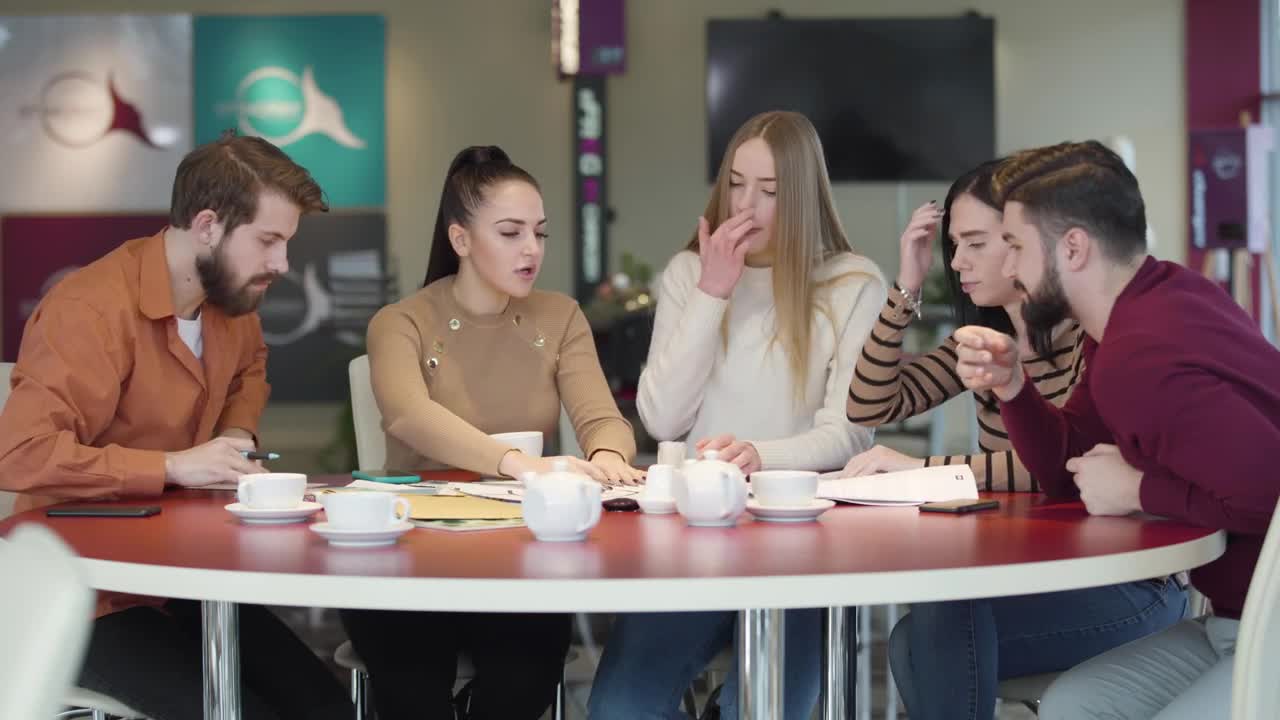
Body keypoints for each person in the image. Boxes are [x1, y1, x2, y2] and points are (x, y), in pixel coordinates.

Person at [0, 132, 350, 720]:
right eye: (268, 241)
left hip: (183, 582)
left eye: (286, 243)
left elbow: (250, 369)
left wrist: (237, 437)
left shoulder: (230, 302)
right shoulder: (87, 310)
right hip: (82, 593)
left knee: (326, 707)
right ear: (208, 225)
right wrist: (171, 467)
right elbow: (20, 453)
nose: (282, 264)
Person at [850, 157, 1186, 720]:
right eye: (953, 246)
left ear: (1022, 240)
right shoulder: (984, 341)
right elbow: (869, 404)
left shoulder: (1092, 337)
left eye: (976, 243)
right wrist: (905, 289)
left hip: (1129, 584)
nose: (957, 263)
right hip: (1034, 574)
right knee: (929, 624)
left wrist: (927, 471)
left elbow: (1061, 464)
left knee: (929, 629)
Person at [953, 140, 1280, 719]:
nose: (1007, 269)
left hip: (1264, 625)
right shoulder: (1156, 300)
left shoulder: (1142, 355)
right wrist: (1014, 388)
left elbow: (1267, 493)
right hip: (1231, 619)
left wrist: (1137, 491)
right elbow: (1066, 468)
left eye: (1016, 247)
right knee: (1071, 705)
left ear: (1073, 247)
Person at [588, 110, 886, 720]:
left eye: (771, 191)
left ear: (803, 198)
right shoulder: (688, 274)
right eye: (736, 183)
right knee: (620, 708)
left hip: (802, 547)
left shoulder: (854, 283)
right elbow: (663, 420)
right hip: (696, 540)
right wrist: (712, 293)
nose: (747, 204)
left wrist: (760, 456)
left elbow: (852, 433)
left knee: (770, 708)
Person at [340, 145, 639, 720]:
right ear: (460, 240)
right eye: (510, 233)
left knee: (524, 678)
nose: (532, 249)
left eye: (540, 233)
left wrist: (607, 455)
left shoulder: (560, 317)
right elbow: (409, 415)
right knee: (412, 688)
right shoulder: (400, 322)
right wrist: (525, 466)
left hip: (520, 555)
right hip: (409, 554)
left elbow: (603, 419)